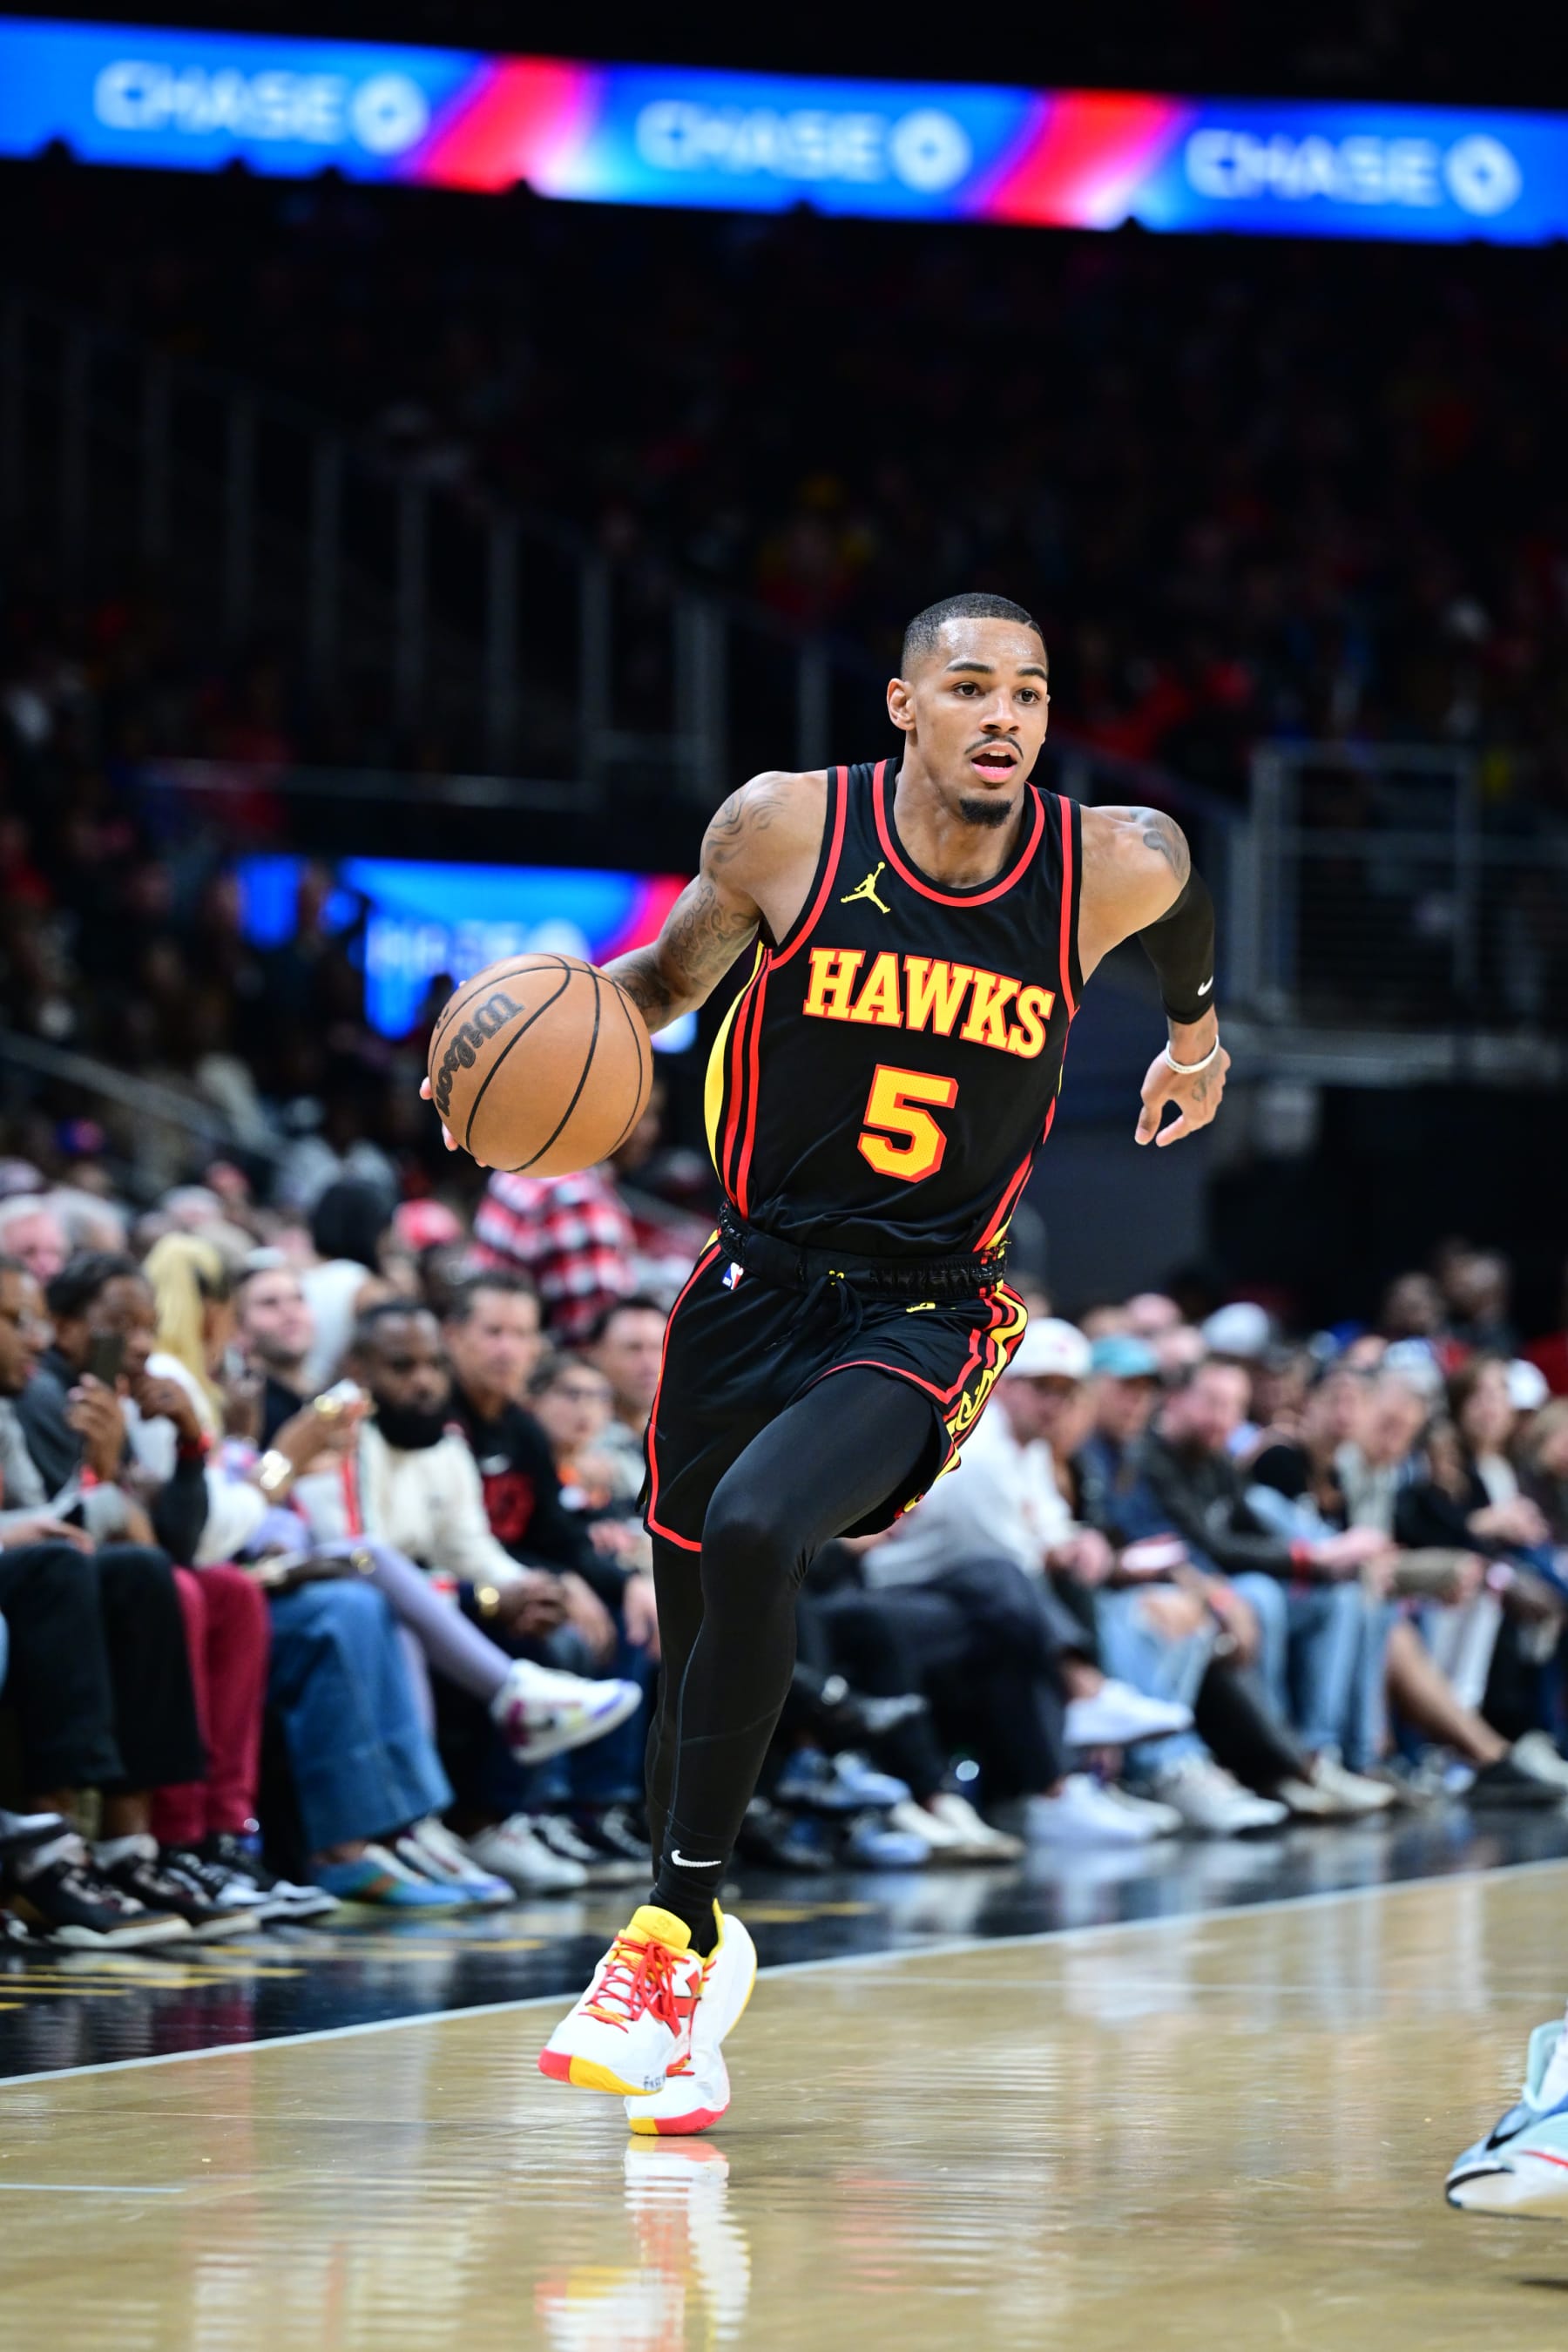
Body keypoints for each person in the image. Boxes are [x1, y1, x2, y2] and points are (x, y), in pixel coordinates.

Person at [429, 591, 1231, 2133]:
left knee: (756, 1530)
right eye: (973, 688)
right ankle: (700, 1970)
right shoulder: (786, 832)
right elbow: (664, 990)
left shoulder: (1101, 865)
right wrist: (523, 1050)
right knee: (692, 1663)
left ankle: (668, 1940)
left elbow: (1188, 907)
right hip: (748, 1284)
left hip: (926, 1308)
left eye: (1033, 694)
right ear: (903, 706)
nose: (1006, 716)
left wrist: (1194, 1038)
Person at [583, 1296, 668, 1507]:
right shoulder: (577, 1440)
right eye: (633, 1349)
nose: (649, 1363)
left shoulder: (688, 1435)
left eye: (659, 1348)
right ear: (596, 1354)